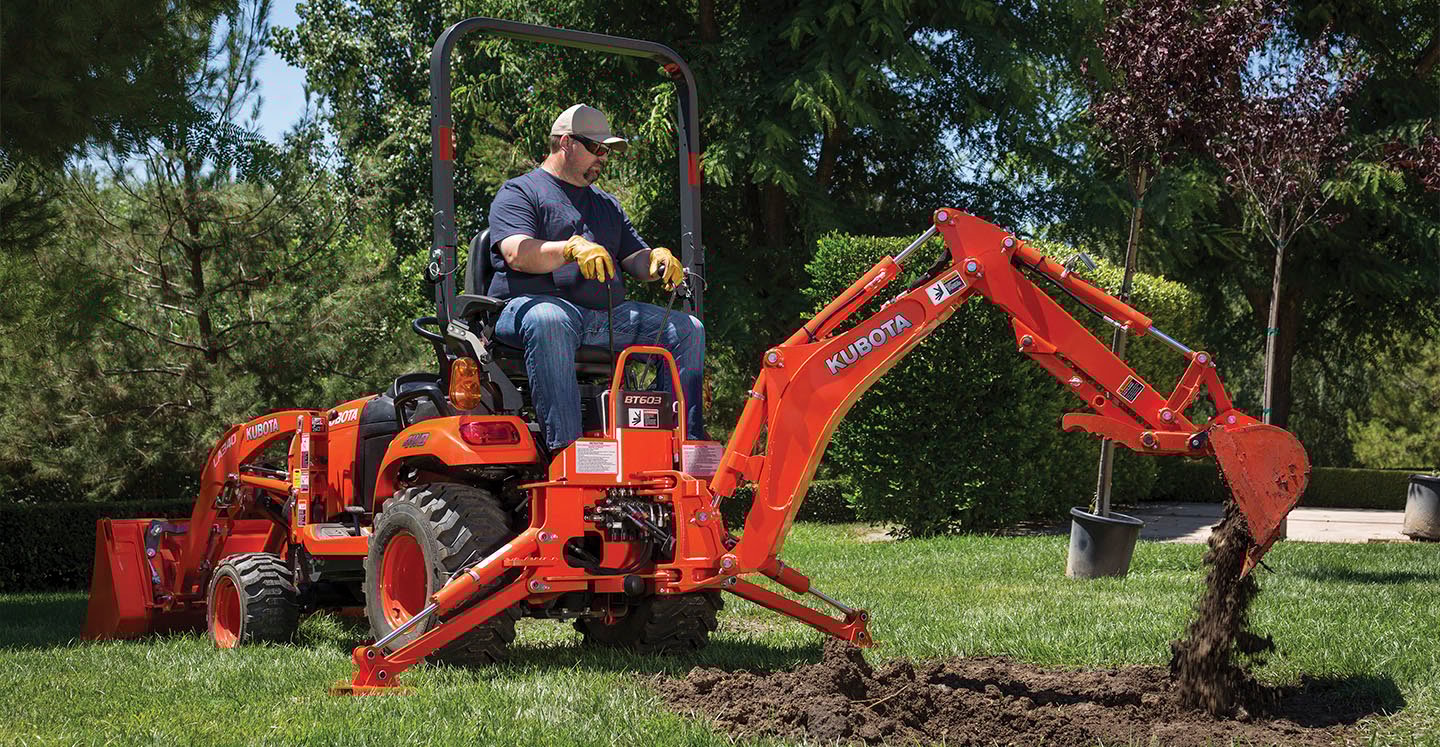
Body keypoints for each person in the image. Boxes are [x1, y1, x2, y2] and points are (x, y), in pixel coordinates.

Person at [486, 103, 706, 453]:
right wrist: (570, 249)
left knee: (687, 329)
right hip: (529, 310)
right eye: (596, 148)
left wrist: (657, 260)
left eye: (607, 151)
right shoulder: (520, 193)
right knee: (550, 319)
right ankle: (568, 451)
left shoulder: (607, 205)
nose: (603, 157)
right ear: (566, 143)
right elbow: (517, 253)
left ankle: (682, 446)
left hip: (604, 316)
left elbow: (635, 258)